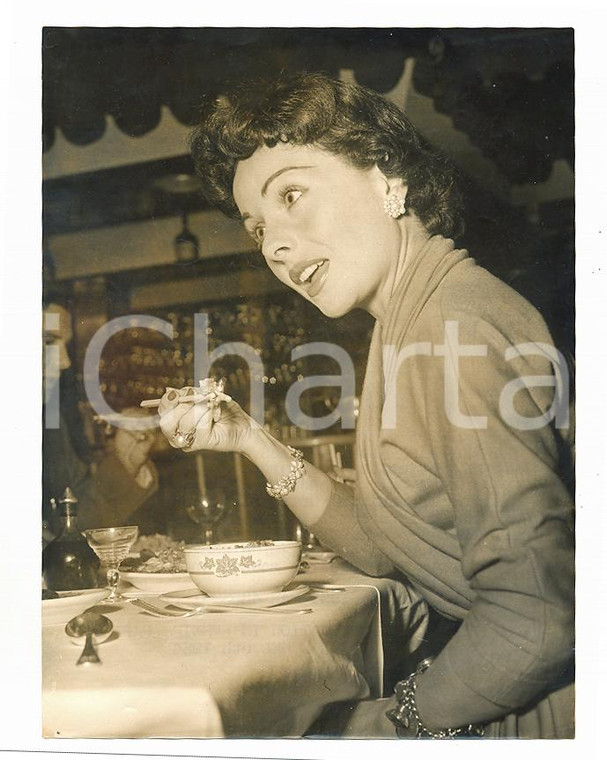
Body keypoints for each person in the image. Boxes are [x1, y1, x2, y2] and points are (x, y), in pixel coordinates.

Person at [157, 73, 574, 739]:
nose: (274, 246)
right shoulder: (408, 316)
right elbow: (387, 548)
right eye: (257, 226)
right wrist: (248, 439)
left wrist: (402, 718)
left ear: (387, 180)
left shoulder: (449, 327)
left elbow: (539, 616)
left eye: (291, 195)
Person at [43, 302, 159, 537]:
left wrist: (126, 462)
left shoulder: (50, 425)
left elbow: (76, 523)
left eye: (65, 346)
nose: (64, 362)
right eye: (48, 342)